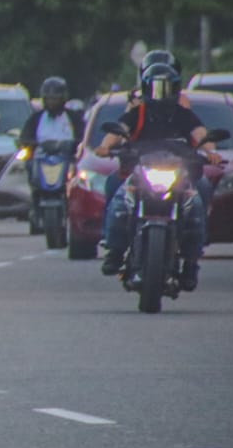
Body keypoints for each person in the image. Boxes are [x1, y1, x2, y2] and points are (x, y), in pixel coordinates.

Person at [94, 60, 221, 290]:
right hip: (142, 173)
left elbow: (200, 134)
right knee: (120, 202)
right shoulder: (137, 113)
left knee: (195, 208)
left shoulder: (183, 114)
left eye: (166, 87)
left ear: (176, 88)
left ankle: (191, 263)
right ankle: (114, 251)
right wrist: (105, 146)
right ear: (145, 88)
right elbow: (119, 130)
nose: (160, 94)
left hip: (177, 174)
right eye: (155, 87)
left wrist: (211, 151)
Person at [17, 76, 85, 205]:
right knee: (28, 164)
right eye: (49, 99)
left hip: (66, 159)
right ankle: (36, 200)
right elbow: (25, 136)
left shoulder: (73, 118)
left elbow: (83, 137)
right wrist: (26, 143)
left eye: (55, 99)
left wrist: (75, 146)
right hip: (41, 158)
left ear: (63, 99)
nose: (52, 103)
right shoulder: (36, 118)